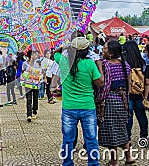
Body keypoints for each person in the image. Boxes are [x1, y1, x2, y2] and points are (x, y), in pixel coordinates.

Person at [55, 37, 104, 166]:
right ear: (87, 50)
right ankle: (93, 163)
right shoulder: (90, 64)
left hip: (69, 107)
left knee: (68, 139)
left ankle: (67, 163)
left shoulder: (64, 61)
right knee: (91, 139)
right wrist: (99, 65)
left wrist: (65, 46)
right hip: (88, 106)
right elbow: (100, 83)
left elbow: (55, 53)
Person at [95, 40, 136, 166]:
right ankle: (128, 157)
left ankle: (114, 161)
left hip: (110, 100)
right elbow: (129, 85)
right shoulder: (125, 65)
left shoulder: (104, 65)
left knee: (111, 131)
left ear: (111, 53)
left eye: (105, 48)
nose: (103, 49)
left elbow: (100, 82)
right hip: (123, 101)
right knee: (122, 129)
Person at [122, 41, 148, 142]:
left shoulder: (124, 62)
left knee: (129, 116)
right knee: (141, 115)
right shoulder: (142, 62)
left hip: (128, 92)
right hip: (139, 92)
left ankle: (127, 137)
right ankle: (143, 136)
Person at [21, 50, 42, 122]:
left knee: (35, 98)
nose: (35, 56)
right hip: (28, 84)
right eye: (34, 55)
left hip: (35, 84)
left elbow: (40, 72)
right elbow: (23, 72)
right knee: (28, 99)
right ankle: (29, 115)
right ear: (30, 56)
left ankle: (35, 111)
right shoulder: (25, 63)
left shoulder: (38, 63)